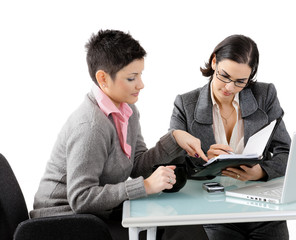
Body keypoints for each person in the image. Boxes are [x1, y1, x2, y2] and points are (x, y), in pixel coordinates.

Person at [30, 29, 208, 240]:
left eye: (140, 75)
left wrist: (175, 138)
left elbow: (137, 165)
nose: (141, 84)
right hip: (64, 223)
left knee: (184, 226)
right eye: (132, 78)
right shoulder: (91, 127)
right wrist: (145, 186)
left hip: (96, 214)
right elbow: (81, 198)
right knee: (176, 230)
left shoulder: (127, 111)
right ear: (103, 78)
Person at [169, 34, 291, 239]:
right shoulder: (185, 104)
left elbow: (286, 152)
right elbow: (173, 165)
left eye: (240, 81)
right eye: (224, 76)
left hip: (263, 208)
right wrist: (203, 158)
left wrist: (261, 172)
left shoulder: (265, 95)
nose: (230, 88)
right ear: (214, 61)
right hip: (214, 211)